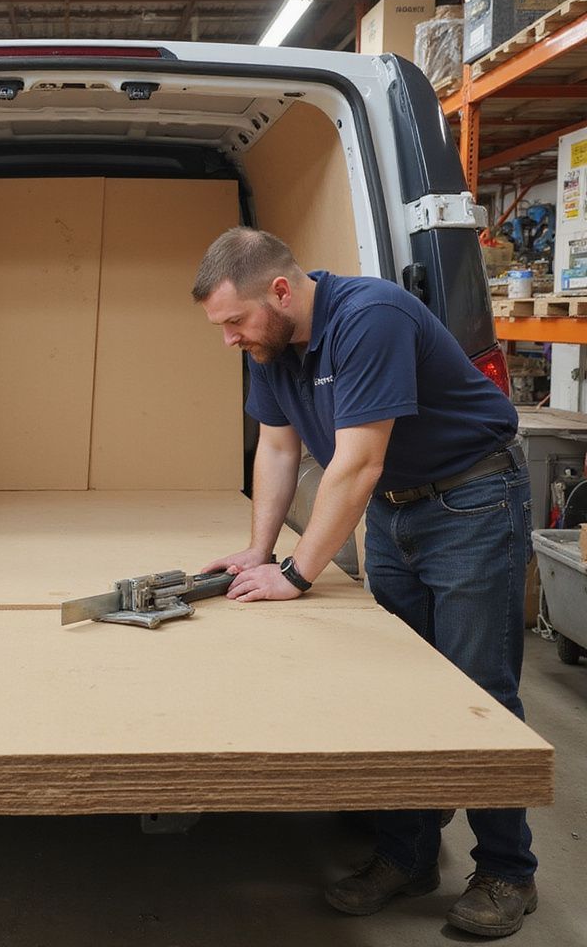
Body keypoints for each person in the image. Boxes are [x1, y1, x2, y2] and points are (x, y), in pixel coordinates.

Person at [193, 227, 537, 938]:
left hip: (470, 501)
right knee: (398, 683)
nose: (227, 339)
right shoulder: (272, 345)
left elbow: (357, 462)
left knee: (478, 688)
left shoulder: (368, 317)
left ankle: (508, 871)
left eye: (234, 321)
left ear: (280, 291)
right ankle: (406, 857)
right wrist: (258, 551)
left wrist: (296, 572)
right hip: (394, 512)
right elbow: (278, 447)